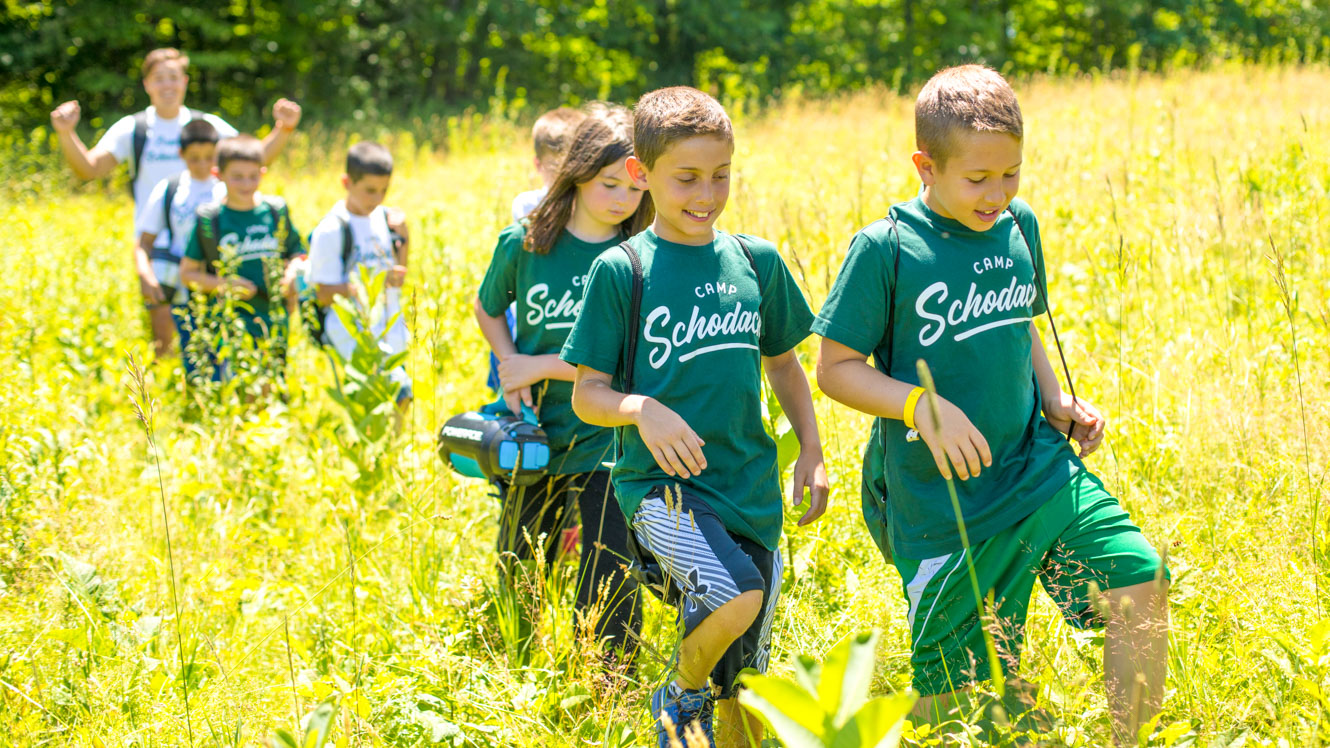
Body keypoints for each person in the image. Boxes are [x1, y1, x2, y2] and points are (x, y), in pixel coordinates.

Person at [813, 65, 1169, 745]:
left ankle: (1131, 739)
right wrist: (920, 406)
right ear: (925, 165)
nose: (998, 194)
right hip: (942, 505)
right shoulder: (886, 249)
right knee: (961, 708)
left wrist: (1053, 396)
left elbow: (1020, 321)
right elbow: (834, 369)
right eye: (978, 179)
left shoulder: (1017, 225)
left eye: (1012, 174)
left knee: (1138, 585)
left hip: (1035, 468)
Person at [560, 87, 830, 748]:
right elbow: (586, 394)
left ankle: (704, 717)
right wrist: (641, 408)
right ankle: (678, 694)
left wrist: (814, 451)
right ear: (641, 174)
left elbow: (786, 366)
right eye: (686, 179)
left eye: (720, 175)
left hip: (751, 488)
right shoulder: (622, 270)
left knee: (747, 688)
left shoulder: (756, 262)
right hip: (662, 489)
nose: (706, 193)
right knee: (736, 596)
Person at [474, 104, 650, 663]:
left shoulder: (638, 260)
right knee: (522, 560)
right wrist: (507, 363)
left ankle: (607, 684)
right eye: (609, 184)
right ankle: (514, 666)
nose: (623, 199)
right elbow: (487, 307)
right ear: (575, 172)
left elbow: (626, 359)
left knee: (610, 568)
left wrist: (541, 365)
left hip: (608, 438)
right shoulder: (524, 243)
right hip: (536, 434)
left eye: (634, 189)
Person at [179, 134, 303, 387]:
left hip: (274, 316)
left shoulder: (275, 211)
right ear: (219, 174)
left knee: (273, 380)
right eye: (237, 177)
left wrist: (292, 274)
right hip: (230, 319)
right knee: (239, 383)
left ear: (263, 172)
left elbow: (298, 253)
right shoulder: (210, 219)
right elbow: (188, 274)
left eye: (253, 176)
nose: (246, 183)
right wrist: (225, 284)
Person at [487, 106, 590, 395]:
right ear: (537, 165)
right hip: (529, 313)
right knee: (514, 381)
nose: (563, 182)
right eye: (555, 171)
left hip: (567, 299)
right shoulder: (527, 205)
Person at [307, 141, 412, 410]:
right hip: (351, 328)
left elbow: (398, 277)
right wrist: (367, 286)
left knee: (394, 393)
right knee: (394, 392)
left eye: (384, 190)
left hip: (387, 323)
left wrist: (405, 239)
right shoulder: (331, 230)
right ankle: (384, 448)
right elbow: (322, 293)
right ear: (346, 182)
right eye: (369, 191)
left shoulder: (385, 219)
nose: (377, 199)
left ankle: (391, 448)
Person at [133, 118, 223, 361]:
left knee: (216, 352)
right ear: (181, 154)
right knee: (173, 351)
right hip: (178, 282)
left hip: (218, 281)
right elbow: (143, 243)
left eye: (210, 157)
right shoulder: (171, 188)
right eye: (195, 158)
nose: (203, 164)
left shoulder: (227, 189)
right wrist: (146, 276)